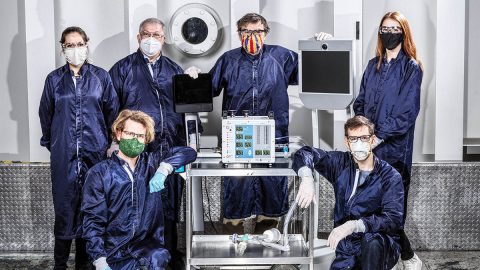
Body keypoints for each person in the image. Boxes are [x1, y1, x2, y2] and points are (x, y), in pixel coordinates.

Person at [186, 12, 299, 232]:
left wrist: (321, 46)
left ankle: (268, 247)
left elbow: (313, 73)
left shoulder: (283, 57)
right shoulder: (228, 60)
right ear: (239, 34)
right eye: (247, 31)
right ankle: (234, 243)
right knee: (236, 186)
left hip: (274, 135)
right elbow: (209, 89)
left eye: (257, 31)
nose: (252, 36)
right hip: (238, 135)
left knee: (272, 187)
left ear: (265, 33)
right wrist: (193, 77)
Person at [108, 18, 200, 268]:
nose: (151, 39)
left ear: (164, 38)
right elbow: (111, 110)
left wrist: (191, 82)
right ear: (138, 38)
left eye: (156, 35)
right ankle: (137, 255)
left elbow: (185, 110)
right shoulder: (122, 69)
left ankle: (169, 255)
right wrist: (115, 143)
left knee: (169, 207)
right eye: (146, 34)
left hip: (169, 151)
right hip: (137, 151)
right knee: (138, 205)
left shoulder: (174, 69)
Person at [39, 26, 119, 270]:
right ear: (63, 48)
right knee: (64, 209)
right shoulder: (54, 80)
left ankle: (86, 264)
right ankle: (60, 264)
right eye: (70, 45)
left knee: (92, 209)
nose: (76, 50)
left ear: (87, 44)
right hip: (64, 156)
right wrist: (55, 144)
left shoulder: (101, 78)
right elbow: (46, 115)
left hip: (95, 156)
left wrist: (110, 144)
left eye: (79, 44)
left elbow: (112, 114)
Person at [82, 110, 197, 270]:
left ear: (146, 140)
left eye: (141, 136)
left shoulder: (152, 163)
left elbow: (189, 152)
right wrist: (100, 260)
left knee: (159, 256)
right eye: (130, 133)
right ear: (119, 133)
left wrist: (164, 168)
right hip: (112, 253)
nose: (135, 139)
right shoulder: (99, 174)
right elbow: (93, 222)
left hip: (145, 249)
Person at [353, 11, 423, 269]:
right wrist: (361, 130)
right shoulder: (374, 65)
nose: (389, 32)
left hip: (395, 153)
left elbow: (406, 113)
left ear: (403, 33)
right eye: (385, 28)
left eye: (394, 28)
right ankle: (392, 257)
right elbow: (360, 101)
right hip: (368, 151)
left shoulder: (411, 68)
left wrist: (378, 136)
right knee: (369, 209)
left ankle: (407, 257)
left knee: (391, 214)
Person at [292, 116, 404, 269]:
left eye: (364, 138)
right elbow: (305, 152)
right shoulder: (340, 164)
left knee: (372, 242)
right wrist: (306, 177)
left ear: (372, 140)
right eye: (353, 139)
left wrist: (355, 225)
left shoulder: (389, 176)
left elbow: (393, 219)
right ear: (347, 142)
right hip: (347, 247)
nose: (359, 143)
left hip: (380, 244)